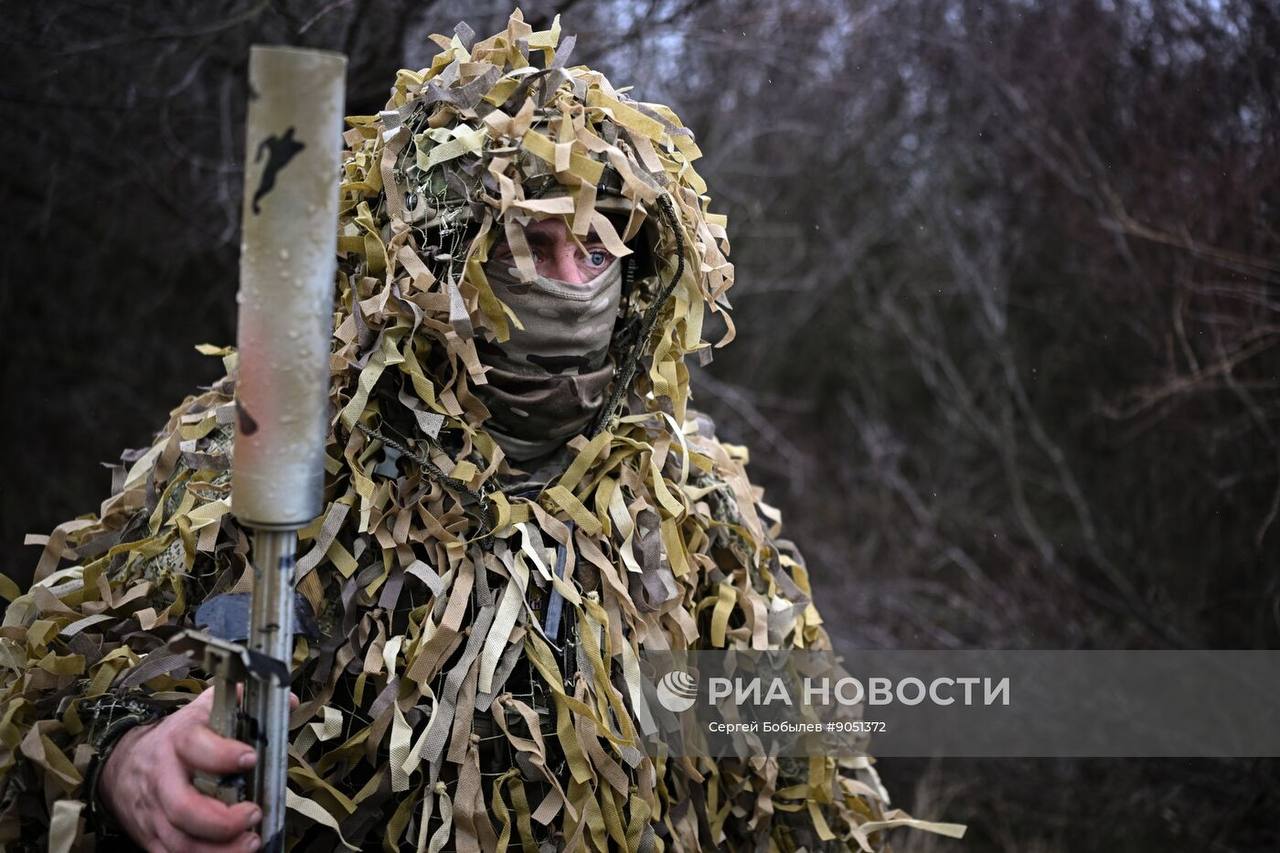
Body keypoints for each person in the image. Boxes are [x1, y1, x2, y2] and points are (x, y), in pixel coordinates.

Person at [0, 11, 955, 852]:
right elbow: (54, 680)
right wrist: (124, 759)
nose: (572, 283)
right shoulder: (258, 447)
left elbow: (807, 791)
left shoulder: (699, 508)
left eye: (597, 248)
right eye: (533, 243)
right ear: (443, 254)